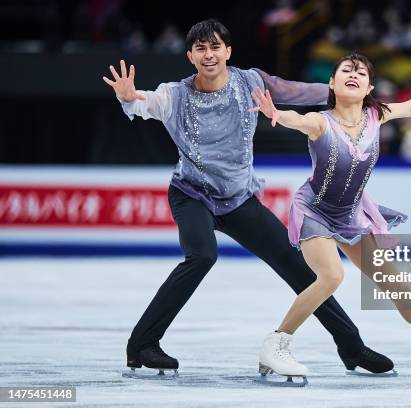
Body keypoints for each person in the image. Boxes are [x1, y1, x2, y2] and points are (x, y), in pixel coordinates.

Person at [102, 19, 393, 376]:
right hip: (191, 194)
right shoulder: (175, 95)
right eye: (201, 49)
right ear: (190, 56)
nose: (209, 55)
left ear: (227, 51)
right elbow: (144, 103)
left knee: (297, 266)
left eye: (215, 47)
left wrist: (342, 92)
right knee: (201, 256)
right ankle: (142, 344)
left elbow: (296, 92)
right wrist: (129, 97)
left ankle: (352, 347)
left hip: (239, 199)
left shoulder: (250, 82)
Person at [251, 52, 411, 381]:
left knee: (397, 286)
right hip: (315, 210)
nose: (353, 74)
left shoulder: (377, 114)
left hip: (352, 214)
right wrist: (277, 113)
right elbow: (298, 120)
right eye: (346, 70)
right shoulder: (322, 121)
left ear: (368, 87)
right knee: (331, 276)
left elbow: (407, 108)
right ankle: (277, 343)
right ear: (332, 83)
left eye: (360, 72)